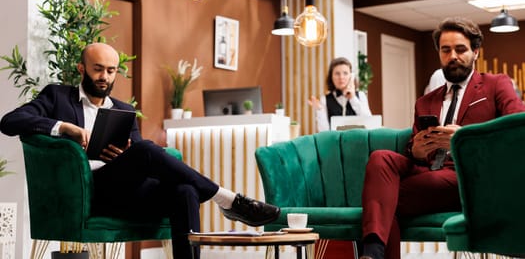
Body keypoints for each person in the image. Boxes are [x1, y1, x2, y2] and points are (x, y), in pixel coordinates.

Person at [0, 43, 280, 259]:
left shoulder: (123, 109)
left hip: (122, 189)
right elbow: (10, 122)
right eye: (98, 69)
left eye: (111, 71)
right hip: (85, 192)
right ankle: (227, 200)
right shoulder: (56, 96)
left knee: (185, 191)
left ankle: (222, 205)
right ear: (81, 69)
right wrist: (64, 128)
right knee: (147, 149)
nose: (105, 77)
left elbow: (138, 156)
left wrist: (125, 155)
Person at [360, 17, 525, 259]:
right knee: (380, 158)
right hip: (429, 171)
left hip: (469, 175)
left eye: (460, 49)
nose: (453, 56)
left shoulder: (495, 84)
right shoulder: (425, 101)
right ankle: (373, 251)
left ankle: (372, 251)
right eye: (446, 50)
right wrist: (416, 149)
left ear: (475, 51)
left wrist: (464, 140)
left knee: (385, 199)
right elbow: (415, 153)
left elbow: (517, 129)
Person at [308, 57, 372, 132]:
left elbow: (369, 123)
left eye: (345, 73)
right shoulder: (325, 99)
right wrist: (320, 110)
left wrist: (353, 99)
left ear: (351, 76)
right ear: (331, 77)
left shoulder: (360, 96)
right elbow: (324, 132)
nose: (341, 77)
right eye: (337, 73)